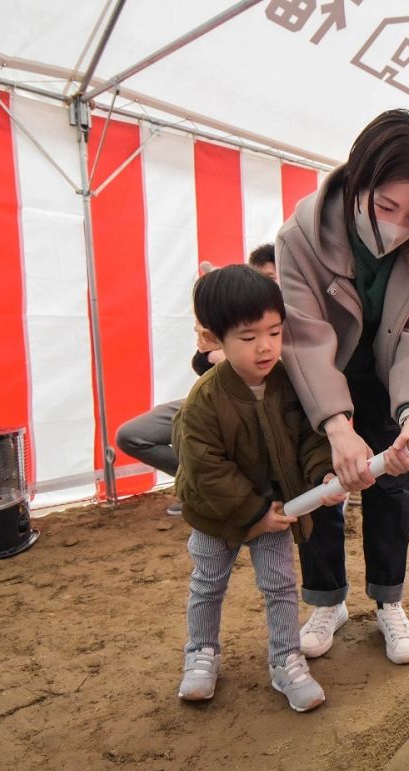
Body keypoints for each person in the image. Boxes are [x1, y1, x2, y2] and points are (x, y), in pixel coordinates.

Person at [277, 109, 409, 664]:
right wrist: (335, 425)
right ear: (358, 184)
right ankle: (326, 599)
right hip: (319, 375)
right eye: (385, 206)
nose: (399, 223)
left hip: (385, 379)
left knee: (394, 487)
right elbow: (304, 339)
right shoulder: (299, 237)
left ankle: (388, 602)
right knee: (323, 485)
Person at [172, 265, 345, 710]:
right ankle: (200, 655)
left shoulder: (289, 380)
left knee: (281, 587)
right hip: (216, 514)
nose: (266, 346)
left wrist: (323, 472)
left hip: (276, 508)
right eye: (249, 338)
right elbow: (205, 469)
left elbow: (311, 435)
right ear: (214, 340)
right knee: (208, 584)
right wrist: (252, 513)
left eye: (274, 331)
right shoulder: (205, 400)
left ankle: (286, 660)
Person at [115, 263, 226, 516]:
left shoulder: (284, 320)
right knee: (131, 435)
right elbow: (201, 360)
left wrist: (219, 355)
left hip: (240, 409)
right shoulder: (225, 316)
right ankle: (196, 484)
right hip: (204, 399)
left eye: (271, 277)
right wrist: (210, 355)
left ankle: (214, 488)